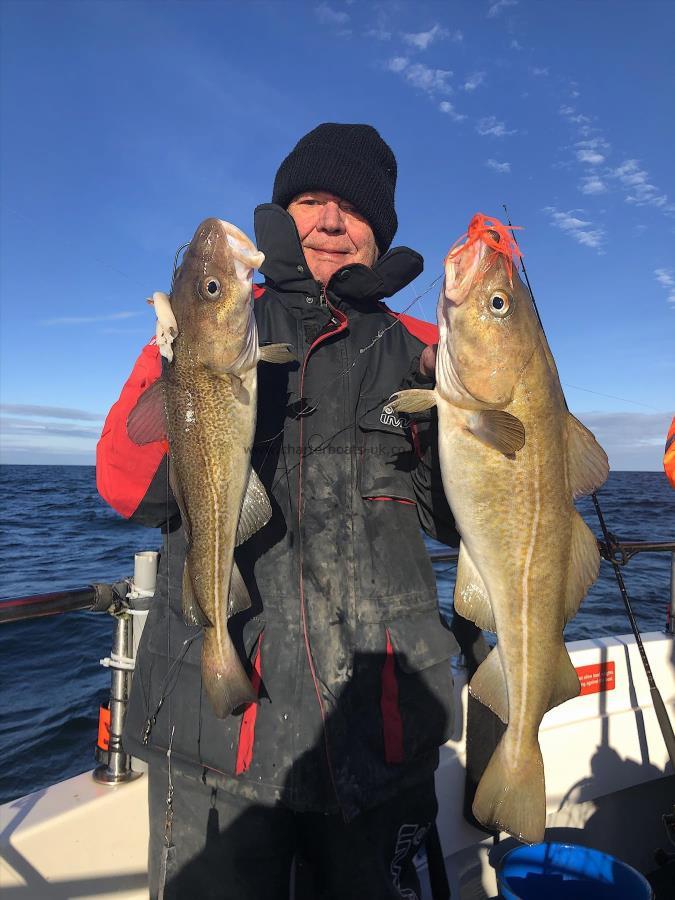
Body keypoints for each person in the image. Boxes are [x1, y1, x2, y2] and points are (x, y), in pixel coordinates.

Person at [97, 123, 459, 899]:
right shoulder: (216, 325)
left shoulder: (426, 348)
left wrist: (460, 411)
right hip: (217, 737)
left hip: (379, 735)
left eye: (354, 209)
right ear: (279, 214)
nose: (330, 220)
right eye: (310, 199)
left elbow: (458, 524)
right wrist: (178, 358)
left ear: (379, 231)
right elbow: (125, 487)